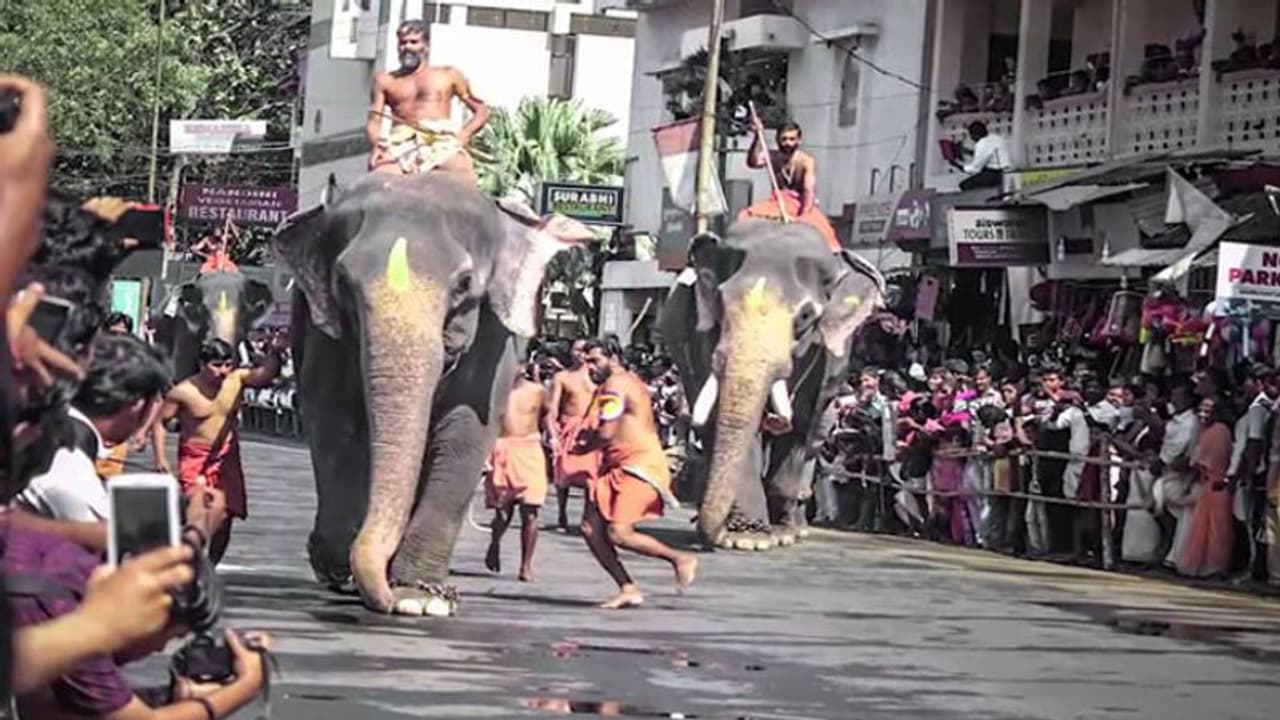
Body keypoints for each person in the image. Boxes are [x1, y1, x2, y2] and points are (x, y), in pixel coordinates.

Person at [576, 340, 697, 609]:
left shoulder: (616, 384)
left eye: (595, 361)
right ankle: (627, 588)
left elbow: (607, 431)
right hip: (615, 466)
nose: (590, 367)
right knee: (591, 528)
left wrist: (584, 447)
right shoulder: (619, 383)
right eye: (586, 362)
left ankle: (679, 558)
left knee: (619, 533)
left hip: (637, 465)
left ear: (613, 358)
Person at [152, 336, 285, 563]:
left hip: (226, 457)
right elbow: (160, 423)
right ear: (202, 365)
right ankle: (185, 555)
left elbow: (264, 375)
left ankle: (208, 567)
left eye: (227, 364)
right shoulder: (183, 392)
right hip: (195, 456)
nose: (222, 371)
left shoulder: (237, 379)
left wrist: (275, 352)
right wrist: (160, 458)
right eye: (216, 365)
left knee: (225, 517)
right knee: (196, 508)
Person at [367, 19, 489, 183]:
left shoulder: (448, 74)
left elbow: (481, 110)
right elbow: (374, 120)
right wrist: (378, 145)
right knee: (380, 178)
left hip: (440, 142)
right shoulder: (385, 80)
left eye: (414, 42)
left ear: (426, 45)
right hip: (401, 143)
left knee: (461, 170)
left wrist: (463, 136)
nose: (407, 47)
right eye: (403, 43)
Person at [484, 362, 550, 582]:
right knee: (503, 511)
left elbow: (548, 415)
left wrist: (554, 437)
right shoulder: (495, 390)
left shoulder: (538, 391)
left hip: (529, 448)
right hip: (503, 448)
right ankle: (495, 542)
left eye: (516, 364)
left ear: (523, 367)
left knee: (530, 510)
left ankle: (526, 565)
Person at [739, 119, 841, 252]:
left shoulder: (806, 161)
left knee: (824, 236)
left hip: (799, 204)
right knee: (746, 219)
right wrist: (758, 136)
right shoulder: (773, 157)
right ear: (777, 140)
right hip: (776, 202)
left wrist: (804, 217)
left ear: (799, 141)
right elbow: (753, 162)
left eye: (792, 139)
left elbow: (808, 190)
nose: (788, 143)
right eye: (784, 139)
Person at [1176, 395, 1235, 578]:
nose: (1204, 414)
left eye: (1209, 411)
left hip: (1214, 483)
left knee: (1213, 528)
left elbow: (1204, 462)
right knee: (1204, 527)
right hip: (1208, 483)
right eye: (1202, 410)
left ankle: (1212, 566)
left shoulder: (1218, 431)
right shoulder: (1208, 430)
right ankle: (1204, 566)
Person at [547, 338, 598, 532]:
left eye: (585, 350)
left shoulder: (598, 378)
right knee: (563, 474)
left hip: (591, 428)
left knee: (591, 476)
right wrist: (552, 433)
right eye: (577, 350)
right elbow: (552, 409)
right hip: (568, 426)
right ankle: (562, 513)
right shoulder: (562, 377)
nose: (580, 354)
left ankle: (588, 516)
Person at [950, 121, 1011, 191]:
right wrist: (968, 152)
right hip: (1005, 173)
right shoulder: (996, 138)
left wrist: (956, 165)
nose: (971, 138)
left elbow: (974, 169)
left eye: (971, 135)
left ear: (975, 135)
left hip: (994, 175)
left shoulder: (981, 144)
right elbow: (989, 154)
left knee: (964, 185)